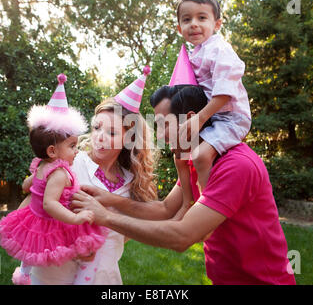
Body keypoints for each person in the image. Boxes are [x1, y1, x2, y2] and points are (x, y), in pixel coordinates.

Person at [72, 85, 296, 285]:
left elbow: (182, 236)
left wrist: (106, 217)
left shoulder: (236, 166)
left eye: (163, 125)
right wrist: (110, 199)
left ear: (190, 119)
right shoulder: (196, 160)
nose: (159, 135)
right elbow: (166, 209)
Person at [23, 67, 157, 285]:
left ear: (128, 138)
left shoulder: (131, 181)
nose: (100, 138)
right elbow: (35, 206)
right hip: (55, 274)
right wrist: (72, 246)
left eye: (112, 132)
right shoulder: (71, 164)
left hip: (103, 277)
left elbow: (132, 228)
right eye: (97, 128)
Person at [0, 74, 106, 285]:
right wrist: (75, 219)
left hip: (33, 214)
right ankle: (81, 276)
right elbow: (50, 203)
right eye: (72, 146)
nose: (76, 150)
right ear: (53, 151)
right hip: (51, 218)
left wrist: (30, 186)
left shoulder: (40, 164)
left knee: (30, 248)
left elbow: (28, 184)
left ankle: (24, 275)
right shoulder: (59, 173)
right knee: (68, 245)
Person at [175, 0, 252, 198]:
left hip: (231, 118)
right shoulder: (193, 53)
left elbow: (225, 93)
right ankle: (187, 202)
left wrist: (199, 119)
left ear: (216, 24)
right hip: (211, 118)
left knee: (200, 156)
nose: (194, 24)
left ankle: (207, 202)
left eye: (202, 17)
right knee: (180, 153)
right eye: (187, 19)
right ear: (179, 28)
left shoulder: (219, 50)